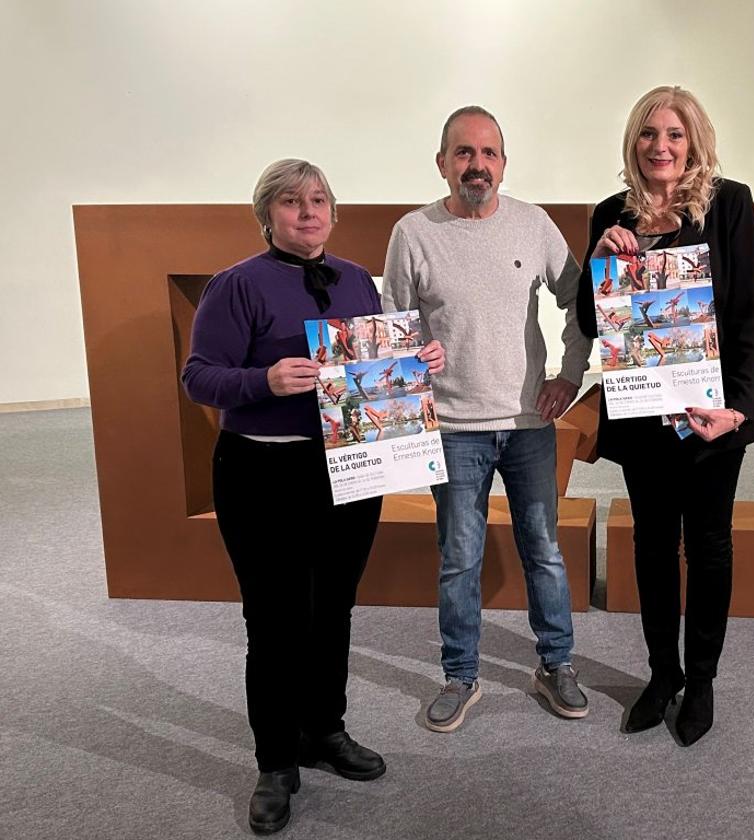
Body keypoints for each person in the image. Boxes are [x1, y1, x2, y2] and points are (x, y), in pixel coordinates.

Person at [181, 159, 445, 834]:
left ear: (334, 211)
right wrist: (264, 380)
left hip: (349, 468)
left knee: (333, 608)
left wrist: (418, 362)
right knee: (274, 620)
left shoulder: (358, 279)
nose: (308, 211)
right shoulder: (235, 286)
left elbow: (372, 370)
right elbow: (199, 378)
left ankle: (325, 731)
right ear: (267, 213)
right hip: (262, 473)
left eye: (319, 199)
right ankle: (275, 762)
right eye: (292, 202)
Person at [574, 86, 754, 746]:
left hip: (709, 416)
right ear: (633, 143)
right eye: (648, 134)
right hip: (639, 415)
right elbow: (590, 323)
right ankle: (663, 674)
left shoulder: (730, 206)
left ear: (694, 142)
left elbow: (746, 317)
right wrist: (601, 264)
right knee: (653, 545)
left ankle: (704, 678)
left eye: (674, 135)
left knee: (710, 546)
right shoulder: (611, 214)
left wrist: (739, 408)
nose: (660, 146)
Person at [383, 105, 593, 733]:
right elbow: (389, 330)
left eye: (489, 153)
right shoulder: (412, 233)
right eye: (464, 153)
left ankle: (555, 664)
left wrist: (570, 375)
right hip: (452, 428)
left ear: (504, 162)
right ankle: (460, 674)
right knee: (459, 558)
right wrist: (412, 362)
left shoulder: (533, 226)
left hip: (530, 421)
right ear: (443, 163)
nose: (477, 166)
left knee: (545, 552)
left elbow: (579, 302)